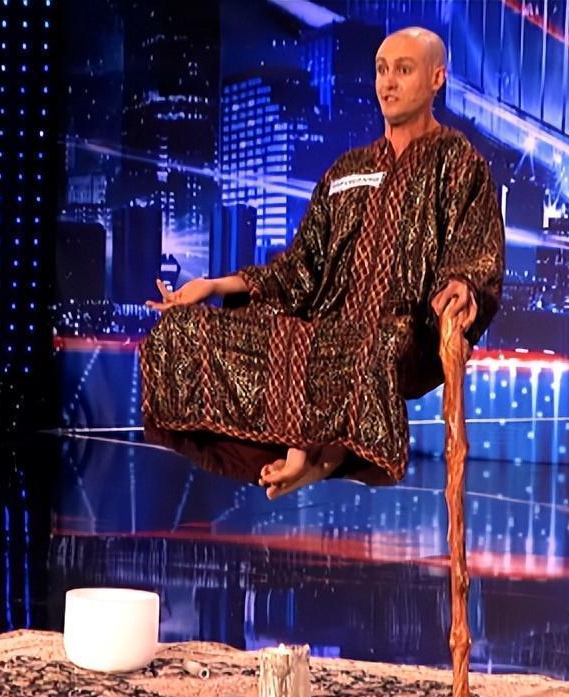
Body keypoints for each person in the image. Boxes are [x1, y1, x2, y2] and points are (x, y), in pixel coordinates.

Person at [141, 26, 504, 499]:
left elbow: (477, 245)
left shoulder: (457, 161)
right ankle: (303, 452)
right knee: (183, 328)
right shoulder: (347, 169)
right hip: (326, 328)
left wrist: (464, 283)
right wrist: (213, 286)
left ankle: (318, 456)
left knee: (366, 343)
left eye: (403, 70)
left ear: (437, 78)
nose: (388, 82)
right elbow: (301, 265)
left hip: (405, 330)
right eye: (381, 70)